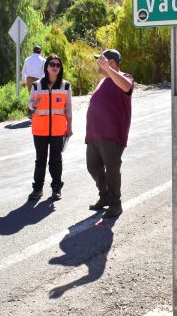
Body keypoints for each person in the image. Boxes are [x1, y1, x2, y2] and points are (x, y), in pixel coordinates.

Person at [85, 49, 134, 219]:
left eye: (101, 60)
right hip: (94, 135)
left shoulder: (125, 77)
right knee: (93, 166)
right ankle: (104, 196)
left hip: (112, 136)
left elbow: (127, 87)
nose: (98, 63)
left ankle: (115, 205)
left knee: (112, 171)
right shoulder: (103, 81)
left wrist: (109, 70)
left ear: (112, 62)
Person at [27, 54, 73, 201]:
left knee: (55, 160)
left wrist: (69, 128)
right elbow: (29, 104)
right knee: (40, 161)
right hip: (39, 130)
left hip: (58, 130)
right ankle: (37, 189)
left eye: (58, 65)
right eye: (52, 64)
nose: (55, 67)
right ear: (46, 67)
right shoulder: (37, 85)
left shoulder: (65, 86)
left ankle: (56, 188)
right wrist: (33, 104)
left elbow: (68, 108)